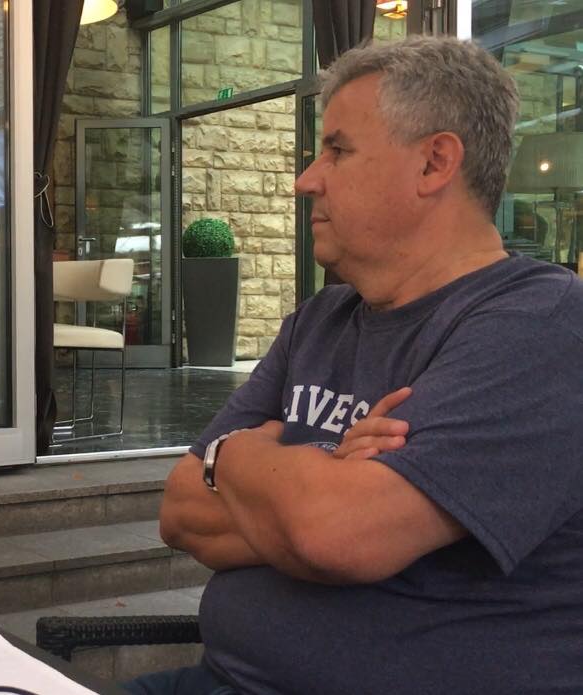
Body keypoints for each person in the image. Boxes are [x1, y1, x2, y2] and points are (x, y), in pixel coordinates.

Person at [139, 36, 583, 694]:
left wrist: (230, 458)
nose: (306, 180)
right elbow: (180, 512)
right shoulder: (321, 320)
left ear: (433, 163)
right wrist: (319, 482)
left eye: (338, 150)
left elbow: (336, 535)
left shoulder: (539, 324)